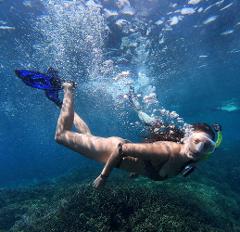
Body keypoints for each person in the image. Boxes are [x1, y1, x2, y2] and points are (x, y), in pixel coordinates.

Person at [15, 69, 222, 188]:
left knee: (87, 136)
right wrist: (103, 177)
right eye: (197, 141)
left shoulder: (191, 159)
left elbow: (153, 163)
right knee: (61, 136)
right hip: (114, 151)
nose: (200, 148)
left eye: (208, 146)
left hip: (117, 153)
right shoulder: (167, 150)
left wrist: (140, 171)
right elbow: (122, 150)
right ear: (186, 139)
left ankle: (60, 104)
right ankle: (68, 89)